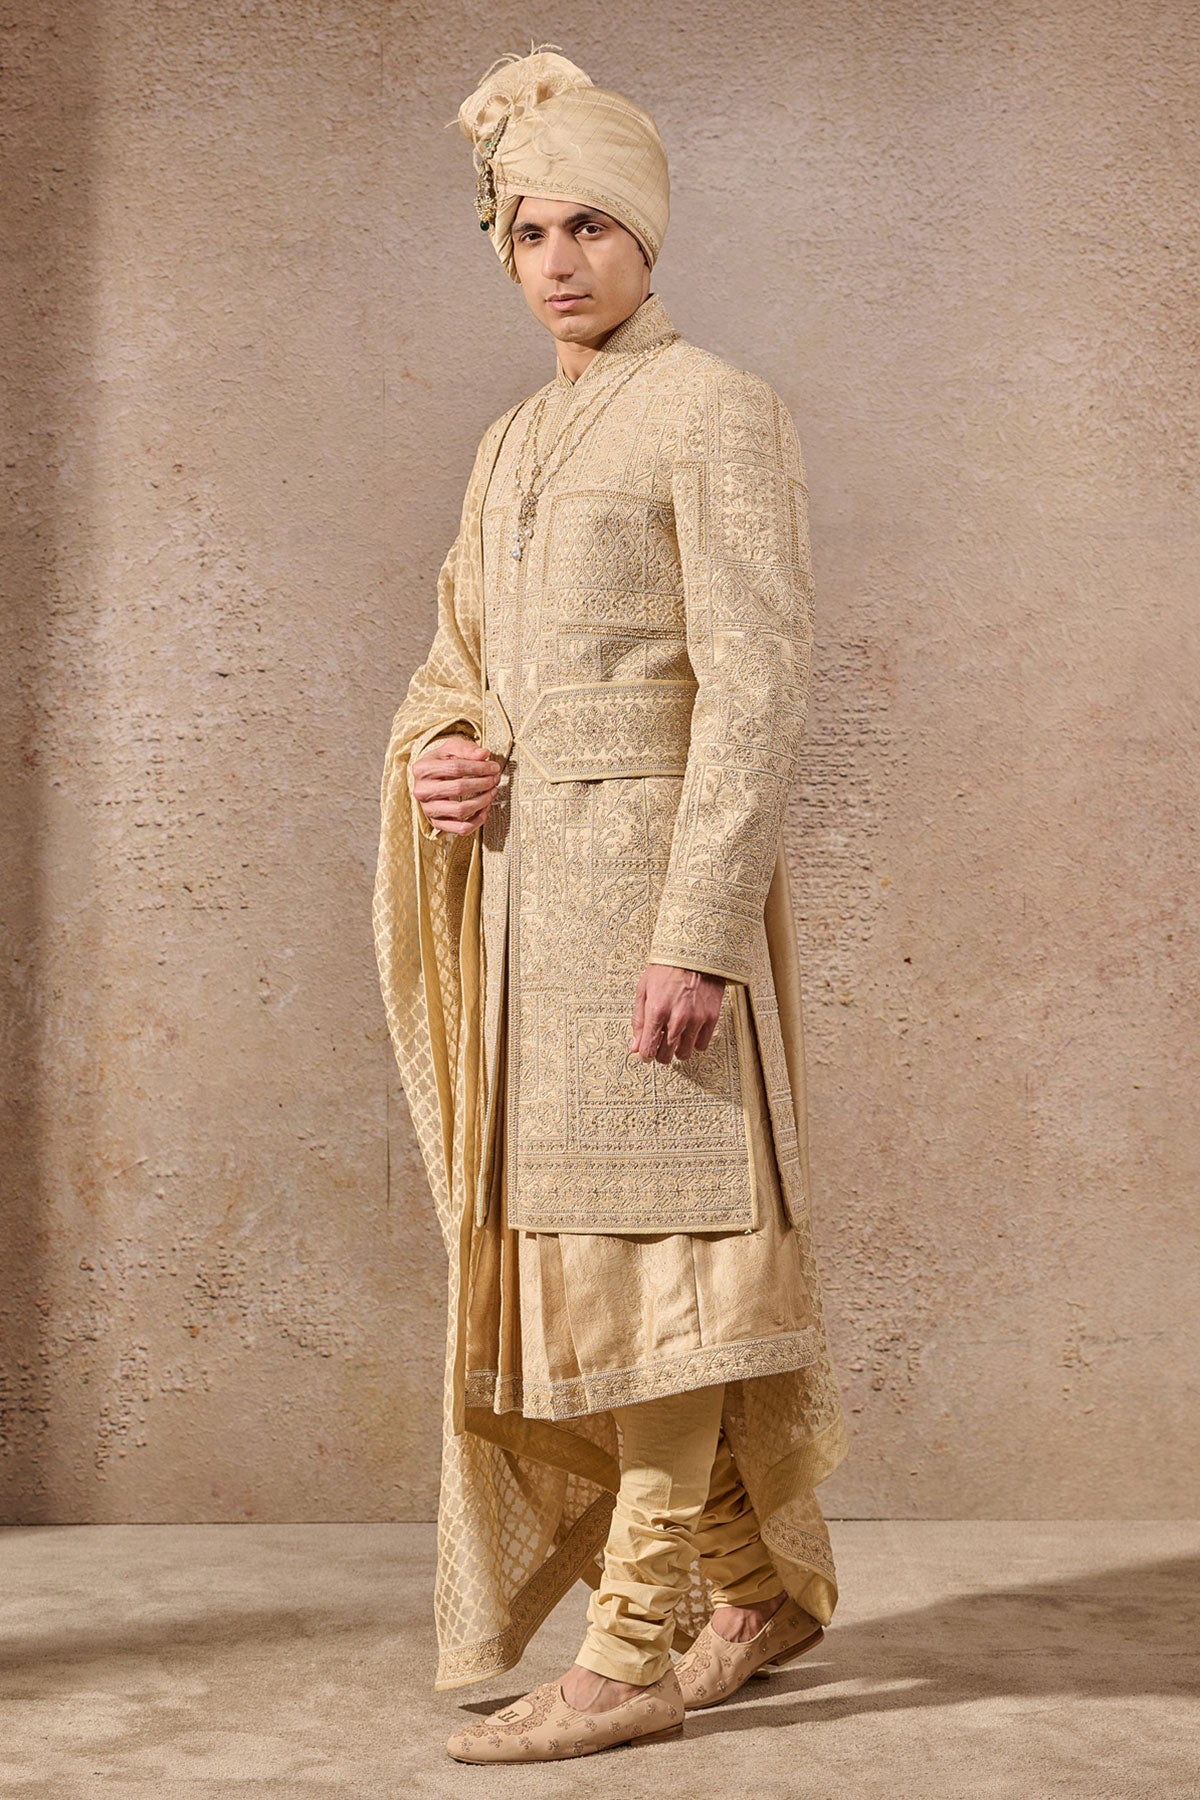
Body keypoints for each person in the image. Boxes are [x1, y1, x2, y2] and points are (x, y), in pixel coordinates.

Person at [372, 45, 849, 1765]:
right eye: (528, 230)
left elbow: (760, 687)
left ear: (647, 235)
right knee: (591, 1279)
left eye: (589, 225)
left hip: (649, 912)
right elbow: (465, 665)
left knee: (671, 1278)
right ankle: (753, 1590)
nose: (558, 259)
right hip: (529, 927)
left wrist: (696, 934)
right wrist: (448, 759)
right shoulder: (512, 440)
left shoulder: (713, 407)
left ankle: (633, 1645)